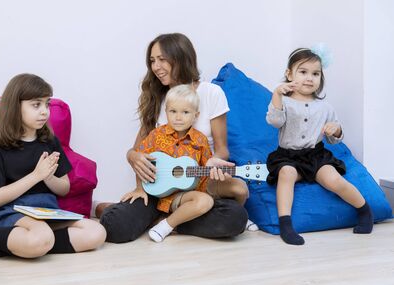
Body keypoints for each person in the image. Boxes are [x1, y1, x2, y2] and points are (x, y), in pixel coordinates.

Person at [99, 33, 249, 243]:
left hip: (198, 188)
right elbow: (136, 150)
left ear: (180, 57)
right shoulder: (158, 98)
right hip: (158, 190)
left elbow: (223, 149)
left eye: (162, 59)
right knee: (115, 226)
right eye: (152, 61)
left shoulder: (211, 93)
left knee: (235, 218)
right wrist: (132, 157)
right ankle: (162, 218)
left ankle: (166, 221)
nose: (156, 67)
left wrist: (214, 161)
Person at [0, 73, 106, 262]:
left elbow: (64, 188)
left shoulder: (50, 142)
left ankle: (5, 246)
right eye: (36, 105)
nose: (44, 111)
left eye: (47, 104)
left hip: (46, 212)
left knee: (96, 233)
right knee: (42, 236)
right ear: (15, 107)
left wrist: (49, 177)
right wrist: (36, 176)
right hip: (12, 212)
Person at [266, 47, 373, 246]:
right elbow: (275, 121)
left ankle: (364, 210)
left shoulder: (325, 108)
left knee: (333, 179)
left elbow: (334, 140)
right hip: (289, 156)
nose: (309, 78)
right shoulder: (285, 103)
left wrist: (336, 130)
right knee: (286, 174)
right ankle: (286, 224)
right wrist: (277, 95)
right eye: (303, 72)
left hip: (316, 155)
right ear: (289, 74)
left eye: (315, 74)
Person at [123, 84, 215, 242]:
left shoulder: (200, 140)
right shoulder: (156, 135)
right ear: (166, 112)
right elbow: (141, 160)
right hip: (156, 195)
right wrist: (139, 188)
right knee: (119, 221)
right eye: (173, 111)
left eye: (185, 112)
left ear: (196, 115)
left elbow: (207, 170)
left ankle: (165, 225)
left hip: (184, 196)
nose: (178, 117)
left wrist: (215, 174)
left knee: (205, 200)